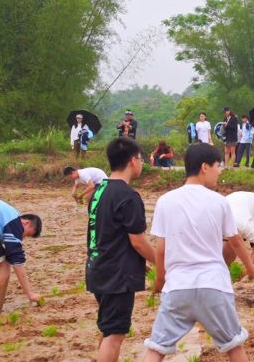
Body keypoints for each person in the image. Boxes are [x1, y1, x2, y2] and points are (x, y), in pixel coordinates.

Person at [143, 144, 254, 362]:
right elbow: (234, 240)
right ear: (205, 167)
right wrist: (250, 267)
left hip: (177, 287)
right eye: (218, 166)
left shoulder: (165, 201)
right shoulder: (219, 202)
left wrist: (160, 280)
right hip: (213, 286)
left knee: (156, 348)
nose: (220, 170)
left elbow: (161, 250)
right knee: (234, 346)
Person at [86, 137, 156, 362]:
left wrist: (138, 261)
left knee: (108, 329)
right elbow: (137, 241)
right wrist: (161, 262)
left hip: (98, 268)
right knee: (115, 334)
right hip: (117, 276)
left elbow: (108, 233)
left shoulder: (99, 190)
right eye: (141, 159)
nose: (142, 163)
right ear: (133, 161)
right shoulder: (128, 196)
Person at [0, 198, 42, 314]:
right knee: (4, 265)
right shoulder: (15, 223)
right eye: (27, 234)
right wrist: (30, 294)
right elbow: (16, 260)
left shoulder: (9, 214)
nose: (22, 238)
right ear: (27, 223)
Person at [224, 191, 254, 307]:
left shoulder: (242, 225)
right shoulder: (211, 226)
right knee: (224, 257)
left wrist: (249, 266)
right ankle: (223, 299)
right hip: (235, 207)